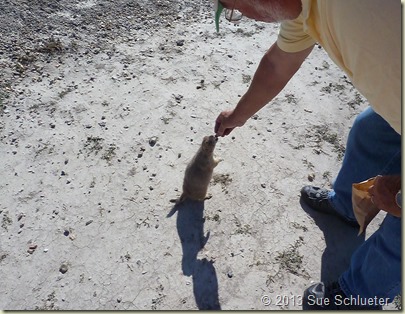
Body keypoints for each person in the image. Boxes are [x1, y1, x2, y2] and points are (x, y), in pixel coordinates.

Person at [212, 0, 401, 310]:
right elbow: (276, 65)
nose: (244, 15)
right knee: (373, 129)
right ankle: (348, 207)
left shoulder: (371, 16)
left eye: (235, 8)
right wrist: (238, 115)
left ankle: (358, 297)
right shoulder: (303, 8)